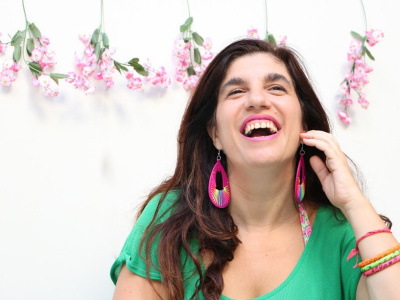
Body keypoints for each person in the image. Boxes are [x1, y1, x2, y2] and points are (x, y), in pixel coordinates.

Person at [110, 39, 400, 299]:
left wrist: (354, 202)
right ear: (215, 134)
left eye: (276, 88)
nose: (258, 100)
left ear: (303, 124)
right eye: (236, 91)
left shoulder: (341, 230)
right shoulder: (169, 219)